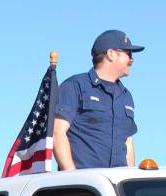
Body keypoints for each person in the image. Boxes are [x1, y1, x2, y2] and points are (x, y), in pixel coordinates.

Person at [53, 30, 144, 171]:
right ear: (111, 54)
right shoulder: (75, 86)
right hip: (84, 186)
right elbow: (58, 132)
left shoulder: (126, 96)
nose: (131, 60)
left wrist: (128, 178)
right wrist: (73, 178)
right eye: (128, 54)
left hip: (115, 186)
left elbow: (128, 142)